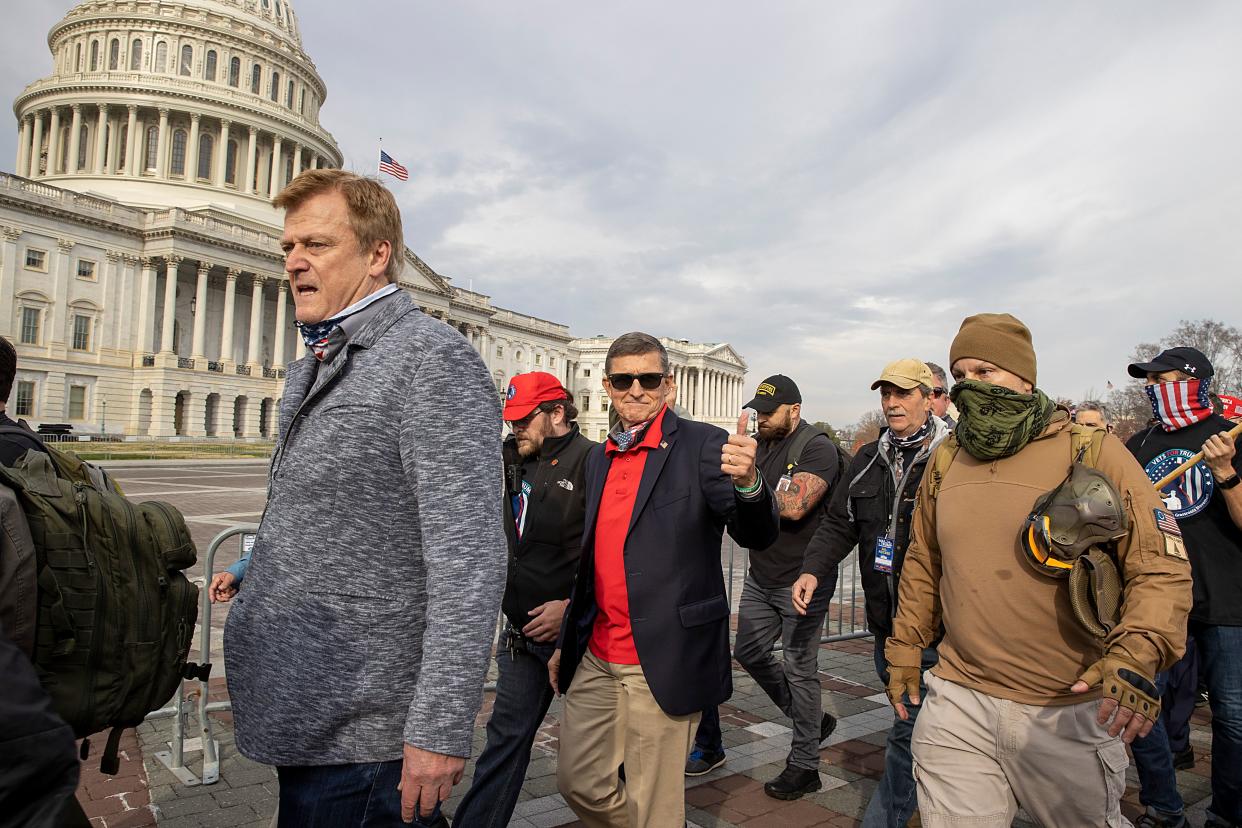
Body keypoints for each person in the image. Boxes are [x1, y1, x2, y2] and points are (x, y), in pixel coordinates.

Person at [222, 169, 506, 828]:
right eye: (288, 247)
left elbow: (468, 563)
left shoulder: (429, 361)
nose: (294, 262)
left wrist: (438, 729)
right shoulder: (319, 361)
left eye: (316, 245)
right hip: (314, 712)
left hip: (364, 733)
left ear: (377, 255)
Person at [886, 312, 1192, 827]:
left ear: (1024, 377)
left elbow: (1159, 566)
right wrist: (904, 646)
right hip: (958, 700)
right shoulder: (946, 459)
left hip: (1065, 707)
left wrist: (1138, 652)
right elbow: (924, 561)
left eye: (986, 372)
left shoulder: (1093, 450)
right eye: (961, 376)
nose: (971, 387)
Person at [549, 331, 779, 827]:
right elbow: (591, 558)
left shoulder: (702, 444)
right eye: (623, 380)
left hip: (666, 652)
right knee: (578, 781)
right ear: (607, 386)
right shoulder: (598, 456)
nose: (636, 389)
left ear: (668, 386)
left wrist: (750, 485)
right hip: (597, 651)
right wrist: (567, 638)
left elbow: (755, 534)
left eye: (648, 379)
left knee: (654, 803)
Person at [794, 358, 951, 827]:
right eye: (886, 394)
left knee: (907, 729)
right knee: (920, 725)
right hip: (886, 622)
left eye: (903, 394)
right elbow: (840, 522)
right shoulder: (867, 458)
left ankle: (888, 816)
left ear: (929, 397)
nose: (892, 403)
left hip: (939, 628)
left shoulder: (956, 456)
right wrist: (812, 570)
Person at [451, 372, 594, 827]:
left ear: (556, 412)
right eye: (509, 420)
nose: (514, 429)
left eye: (522, 420)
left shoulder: (593, 462)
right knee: (504, 743)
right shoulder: (509, 458)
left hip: (580, 639)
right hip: (519, 635)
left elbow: (615, 553)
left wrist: (571, 606)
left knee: (598, 759)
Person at [687, 375, 839, 799]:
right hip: (762, 575)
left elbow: (793, 507)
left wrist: (748, 482)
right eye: (758, 411)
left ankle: (805, 765)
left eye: (770, 412)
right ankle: (810, 720)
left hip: (804, 578)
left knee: (799, 666)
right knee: (749, 652)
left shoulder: (817, 447)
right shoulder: (762, 444)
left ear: (794, 409)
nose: (762, 419)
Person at [1126, 346, 1242, 828]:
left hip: (1226, 601)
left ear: (1193, 380)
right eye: (1148, 381)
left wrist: (1226, 474)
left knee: (1233, 717)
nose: (1153, 388)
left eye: (1163, 378)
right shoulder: (1137, 444)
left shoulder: (1228, 437)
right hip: (1158, 601)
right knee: (1139, 704)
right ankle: (1163, 806)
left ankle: (1228, 814)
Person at [924, 361, 957, 428]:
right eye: (922, 393)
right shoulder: (902, 434)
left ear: (947, 401)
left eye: (935, 392)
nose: (927, 399)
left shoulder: (958, 435)